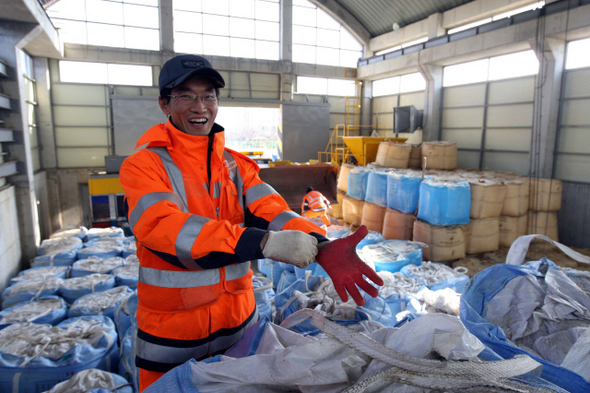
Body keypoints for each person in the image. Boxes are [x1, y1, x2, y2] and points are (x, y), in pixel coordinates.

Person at [119, 54, 384, 392]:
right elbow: (165, 229)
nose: (200, 106)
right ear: (164, 103)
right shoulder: (143, 165)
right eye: (186, 95)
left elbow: (272, 210)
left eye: (209, 96)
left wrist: (322, 244)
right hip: (173, 338)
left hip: (239, 330)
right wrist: (262, 243)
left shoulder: (235, 166)